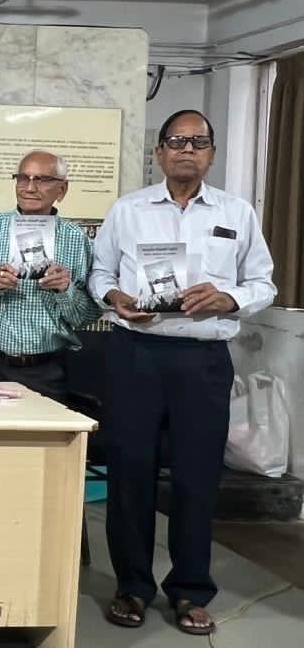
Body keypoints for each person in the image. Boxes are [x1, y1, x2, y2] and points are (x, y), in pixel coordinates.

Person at [91, 110, 276, 636]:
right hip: (136, 353)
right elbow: (100, 272)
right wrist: (115, 297)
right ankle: (132, 586)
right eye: (176, 141)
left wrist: (228, 298)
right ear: (159, 153)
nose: (186, 150)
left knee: (197, 477)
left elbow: (263, 283)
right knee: (130, 472)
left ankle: (191, 590)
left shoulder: (237, 213)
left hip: (203, 360)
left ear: (212, 153)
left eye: (198, 142)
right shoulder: (128, 210)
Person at [0, 150, 100, 399]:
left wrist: (65, 289)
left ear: (62, 189)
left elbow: (86, 316)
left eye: (42, 180)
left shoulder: (76, 239)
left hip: (45, 369)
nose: (30, 187)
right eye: (23, 178)